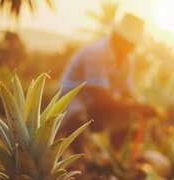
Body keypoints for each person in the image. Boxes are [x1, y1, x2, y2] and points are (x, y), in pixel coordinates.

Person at [60, 13, 157, 148]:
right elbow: (101, 97)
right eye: (129, 43)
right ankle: (81, 158)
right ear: (118, 37)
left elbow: (127, 90)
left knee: (125, 116)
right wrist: (137, 107)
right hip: (71, 97)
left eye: (133, 44)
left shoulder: (127, 60)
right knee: (79, 118)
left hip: (94, 101)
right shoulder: (96, 53)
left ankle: (113, 153)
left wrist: (143, 105)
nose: (132, 48)